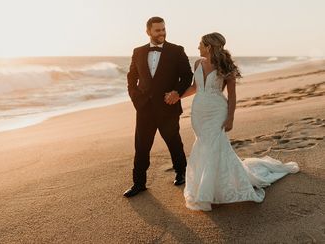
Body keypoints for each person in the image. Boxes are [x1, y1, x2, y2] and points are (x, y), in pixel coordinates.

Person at [177, 32, 299, 211]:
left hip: (217, 111)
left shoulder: (225, 66)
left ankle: (206, 192)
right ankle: (210, 187)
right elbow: (195, 87)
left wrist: (230, 117)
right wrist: (176, 96)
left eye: (200, 44)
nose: (198, 47)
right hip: (198, 112)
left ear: (209, 46)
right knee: (203, 146)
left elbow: (232, 95)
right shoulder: (197, 63)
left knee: (214, 147)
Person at [124, 17, 193, 198]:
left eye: (163, 29)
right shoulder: (138, 52)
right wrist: (135, 98)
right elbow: (131, 77)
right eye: (157, 30)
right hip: (144, 107)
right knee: (141, 146)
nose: (161, 33)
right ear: (148, 32)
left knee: (173, 142)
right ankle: (139, 183)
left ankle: (181, 173)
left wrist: (176, 93)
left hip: (168, 106)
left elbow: (187, 76)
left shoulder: (177, 51)